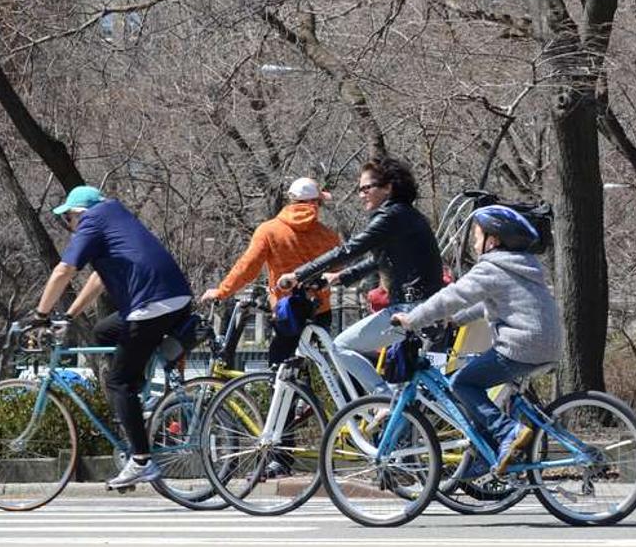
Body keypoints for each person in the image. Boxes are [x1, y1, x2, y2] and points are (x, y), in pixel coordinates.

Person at [32, 185, 193, 489]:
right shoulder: (115, 216)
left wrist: (40, 315)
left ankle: (141, 459)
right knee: (104, 330)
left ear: (78, 213)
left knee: (117, 382)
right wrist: (68, 316)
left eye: (67, 218)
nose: (68, 226)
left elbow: (64, 268)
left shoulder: (92, 220)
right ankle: (138, 397)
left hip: (150, 305)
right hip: (174, 298)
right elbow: (98, 279)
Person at [393, 205, 561, 478]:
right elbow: (484, 304)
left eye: (477, 235)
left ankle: (508, 432)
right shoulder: (520, 265)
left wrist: (413, 318)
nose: (473, 241)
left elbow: (454, 295)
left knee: (463, 381)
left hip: (520, 346)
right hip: (544, 343)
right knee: (474, 381)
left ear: (492, 241)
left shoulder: (492, 267)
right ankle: (491, 454)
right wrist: (454, 320)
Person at [286, 156, 443, 365]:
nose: (361, 195)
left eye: (366, 188)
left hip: (410, 308)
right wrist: (341, 276)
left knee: (341, 346)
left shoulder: (391, 217)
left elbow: (349, 249)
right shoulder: (405, 215)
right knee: (400, 375)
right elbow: (379, 260)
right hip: (423, 304)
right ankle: (386, 397)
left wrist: (298, 274)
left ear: (388, 188)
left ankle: (378, 398)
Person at [199, 177, 343, 365]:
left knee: (280, 367)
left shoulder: (269, 231)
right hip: (319, 310)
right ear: (314, 203)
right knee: (309, 365)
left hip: (287, 311)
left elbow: (247, 268)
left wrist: (222, 291)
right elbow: (337, 271)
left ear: (291, 201)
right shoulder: (328, 236)